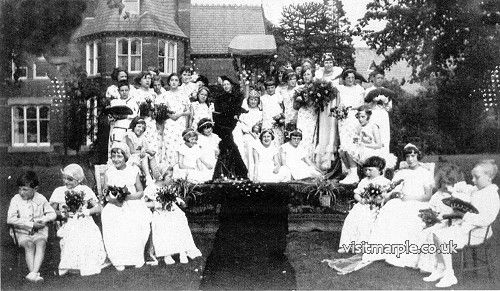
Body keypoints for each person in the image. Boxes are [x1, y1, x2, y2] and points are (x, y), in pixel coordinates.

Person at [424, 160, 499, 288]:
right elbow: (467, 188)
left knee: (443, 238)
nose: (473, 180)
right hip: (467, 228)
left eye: (476, 177)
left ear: (489, 177)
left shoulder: (491, 195)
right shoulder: (478, 189)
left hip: (476, 233)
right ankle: (441, 268)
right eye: (472, 177)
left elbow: (486, 219)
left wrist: (464, 216)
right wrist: (454, 188)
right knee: (436, 234)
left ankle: (450, 274)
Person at [362, 143, 434, 268]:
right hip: (401, 200)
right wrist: (393, 194)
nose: (410, 159)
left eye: (413, 156)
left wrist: (410, 198)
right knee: (389, 211)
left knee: (409, 217)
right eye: (407, 156)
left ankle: (402, 254)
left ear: (418, 156)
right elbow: (392, 189)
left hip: (418, 201)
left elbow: (428, 195)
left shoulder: (425, 173)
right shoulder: (401, 173)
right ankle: (384, 251)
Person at [49, 164, 107, 276]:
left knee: (86, 233)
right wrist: (62, 214)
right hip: (67, 221)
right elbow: (51, 211)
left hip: (84, 220)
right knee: (74, 232)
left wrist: (87, 211)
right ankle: (71, 263)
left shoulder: (85, 189)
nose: (66, 182)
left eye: (70, 179)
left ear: (79, 180)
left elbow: (99, 207)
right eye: (64, 178)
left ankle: (84, 262)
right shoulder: (59, 191)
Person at [102, 142, 152, 271]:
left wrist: (127, 197)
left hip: (132, 202)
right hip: (115, 204)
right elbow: (106, 195)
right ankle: (118, 259)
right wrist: (116, 200)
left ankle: (136, 257)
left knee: (136, 221)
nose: (116, 159)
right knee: (113, 220)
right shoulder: (109, 172)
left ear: (125, 157)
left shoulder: (133, 170)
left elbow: (140, 192)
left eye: (119, 156)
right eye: (113, 156)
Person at [417, 163, 474, 273]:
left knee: (432, 234)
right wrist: (430, 216)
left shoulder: (458, 195)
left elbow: (462, 211)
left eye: (449, 183)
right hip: (439, 221)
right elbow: (432, 208)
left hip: (453, 223)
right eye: (443, 182)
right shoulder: (438, 195)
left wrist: (454, 193)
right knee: (425, 232)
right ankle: (430, 265)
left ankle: (440, 265)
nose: (446, 186)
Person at [144, 167, 202, 264]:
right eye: (169, 176)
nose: (172, 179)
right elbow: (143, 203)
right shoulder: (151, 187)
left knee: (180, 218)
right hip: (160, 211)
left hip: (172, 209)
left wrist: (178, 200)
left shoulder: (170, 186)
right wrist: (157, 204)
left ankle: (182, 251)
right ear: (162, 177)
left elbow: (174, 198)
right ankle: (168, 254)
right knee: (164, 222)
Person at [7, 171, 56, 282]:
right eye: (19, 189)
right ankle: (34, 274)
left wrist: (43, 219)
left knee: (41, 243)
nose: (21, 192)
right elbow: (10, 219)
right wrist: (31, 224)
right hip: (21, 232)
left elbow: (52, 214)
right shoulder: (16, 199)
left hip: (39, 232)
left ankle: (33, 274)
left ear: (35, 189)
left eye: (25, 189)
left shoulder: (41, 198)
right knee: (29, 245)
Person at [212, 75, 248, 180]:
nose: (226, 86)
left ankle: (238, 171)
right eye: (224, 85)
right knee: (227, 146)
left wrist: (234, 114)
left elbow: (238, 110)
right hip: (222, 125)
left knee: (233, 145)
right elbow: (218, 112)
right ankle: (231, 172)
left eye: (228, 84)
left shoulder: (237, 97)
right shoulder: (219, 98)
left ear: (231, 85)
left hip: (233, 124)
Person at [339, 106, 384, 184]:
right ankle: (351, 173)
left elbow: (379, 145)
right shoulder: (359, 127)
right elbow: (358, 139)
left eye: (363, 117)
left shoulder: (373, 126)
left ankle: (354, 175)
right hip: (362, 149)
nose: (360, 119)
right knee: (342, 149)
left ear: (368, 116)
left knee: (350, 149)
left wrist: (364, 145)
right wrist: (356, 141)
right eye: (359, 117)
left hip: (372, 150)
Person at [336, 68, 366, 173]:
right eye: (348, 78)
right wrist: (340, 111)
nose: (350, 80)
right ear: (344, 79)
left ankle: (356, 169)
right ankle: (348, 170)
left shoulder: (359, 88)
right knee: (344, 143)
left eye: (352, 77)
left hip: (354, 117)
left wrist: (353, 109)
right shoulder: (340, 89)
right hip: (343, 119)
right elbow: (338, 104)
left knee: (354, 142)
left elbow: (362, 105)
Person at [163, 73, 192, 167]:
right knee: (169, 145)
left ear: (179, 82)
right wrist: (170, 116)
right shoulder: (165, 94)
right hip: (169, 122)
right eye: (172, 80)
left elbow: (188, 111)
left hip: (180, 122)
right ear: (169, 82)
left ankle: (179, 168)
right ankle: (169, 169)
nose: (174, 82)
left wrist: (180, 114)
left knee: (179, 144)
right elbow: (162, 109)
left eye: (176, 80)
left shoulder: (183, 94)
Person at [233, 89, 263, 168]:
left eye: (255, 100)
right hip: (247, 135)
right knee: (249, 144)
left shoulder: (261, 113)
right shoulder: (244, 113)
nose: (253, 102)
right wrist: (248, 131)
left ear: (258, 101)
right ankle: (248, 170)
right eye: (251, 99)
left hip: (259, 135)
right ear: (248, 100)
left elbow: (262, 124)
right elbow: (240, 125)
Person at [294, 68, 319, 160]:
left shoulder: (316, 88)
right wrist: (299, 100)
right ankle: (300, 160)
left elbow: (317, 103)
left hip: (312, 113)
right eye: (304, 75)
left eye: (308, 74)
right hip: (302, 114)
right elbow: (295, 106)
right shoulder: (299, 88)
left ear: (312, 76)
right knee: (301, 135)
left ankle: (309, 160)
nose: (306, 76)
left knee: (310, 136)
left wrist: (308, 100)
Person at [125, 117, 156, 185]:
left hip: (138, 157)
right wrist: (145, 151)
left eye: (143, 128)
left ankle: (155, 176)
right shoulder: (129, 135)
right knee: (145, 155)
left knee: (151, 156)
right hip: (130, 157)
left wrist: (144, 149)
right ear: (134, 126)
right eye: (139, 126)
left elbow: (146, 147)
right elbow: (132, 151)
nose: (141, 129)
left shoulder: (141, 137)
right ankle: (148, 176)